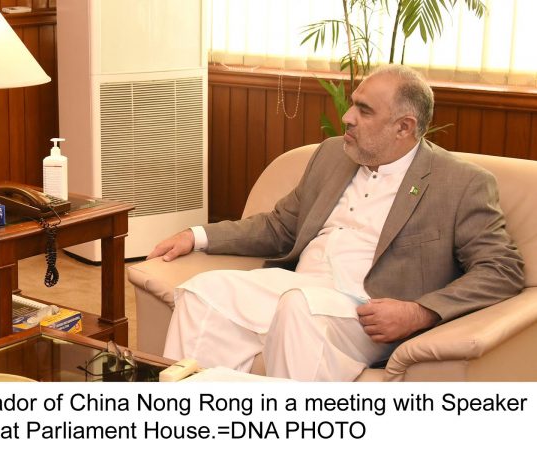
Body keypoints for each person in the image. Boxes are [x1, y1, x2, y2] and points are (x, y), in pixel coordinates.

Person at [149, 65, 524, 381]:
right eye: (353, 104)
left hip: (367, 310)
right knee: (202, 293)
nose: (347, 116)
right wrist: (197, 236)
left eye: (364, 110)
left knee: (298, 307)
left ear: (403, 127)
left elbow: (501, 269)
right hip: (300, 286)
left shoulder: (460, 183)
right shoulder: (332, 154)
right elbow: (281, 226)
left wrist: (419, 312)